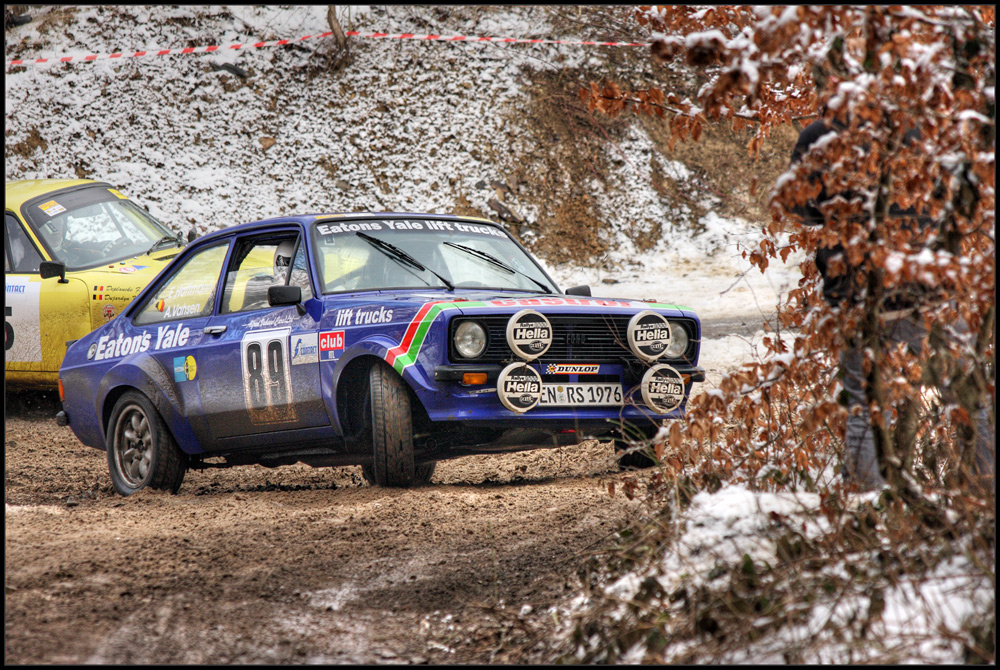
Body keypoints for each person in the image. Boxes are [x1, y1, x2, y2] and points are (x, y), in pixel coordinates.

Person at [790, 114, 994, 490]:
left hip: (858, 293)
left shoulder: (821, 135)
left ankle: (870, 507)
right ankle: (985, 497)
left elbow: (800, 210)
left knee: (864, 409)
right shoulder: (936, 123)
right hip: (934, 290)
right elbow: (968, 197)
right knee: (970, 399)